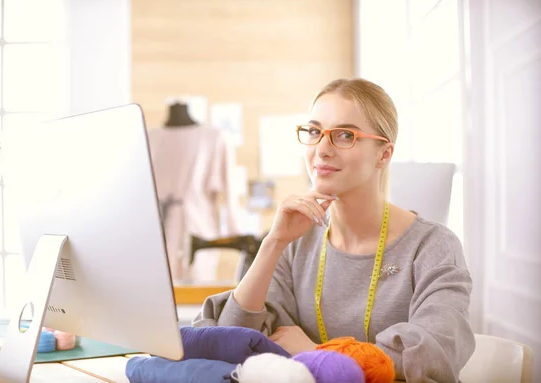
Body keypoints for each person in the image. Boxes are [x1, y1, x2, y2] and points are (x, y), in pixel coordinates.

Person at [192, 78, 476, 382]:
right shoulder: (295, 242)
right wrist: (273, 242)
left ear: (384, 154)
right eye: (315, 132)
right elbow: (230, 341)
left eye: (345, 135)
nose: (322, 149)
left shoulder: (433, 246)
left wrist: (318, 352)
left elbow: (434, 354)